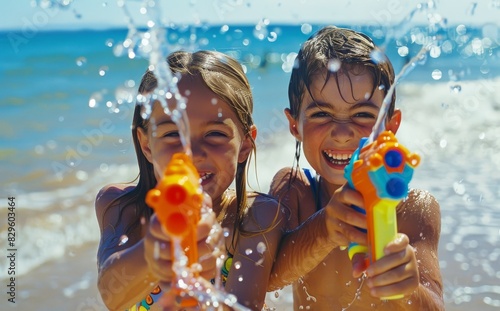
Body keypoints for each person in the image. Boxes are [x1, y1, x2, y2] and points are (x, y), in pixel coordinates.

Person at [267, 26, 444, 310]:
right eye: (321, 114)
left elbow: (434, 304)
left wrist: (408, 291)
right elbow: (267, 277)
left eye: (362, 114)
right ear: (294, 125)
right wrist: (324, 228)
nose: (342, 133)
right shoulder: (295, 190)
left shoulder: (413, 209)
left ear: (390, 126)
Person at [95, 50, 284, 311]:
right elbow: (111, 295)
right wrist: (154, 254)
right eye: (172, 133)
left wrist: (203, 290)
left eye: (215, 134)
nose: (191, 153)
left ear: (245, 144)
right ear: (146, 144)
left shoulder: (256, 217)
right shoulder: (120, 206)